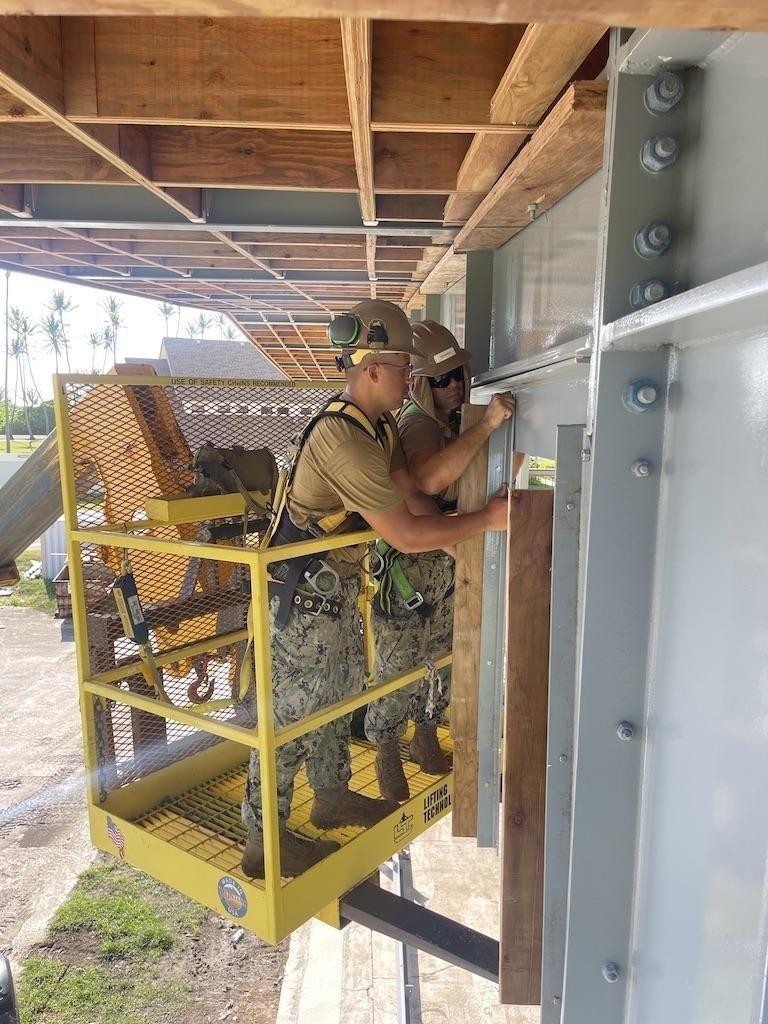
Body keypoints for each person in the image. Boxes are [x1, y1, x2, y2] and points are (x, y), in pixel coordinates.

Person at [241, 302, 510, 878]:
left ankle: (332, 795)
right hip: (299, 595)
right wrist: (485, 522)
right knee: (291, 715)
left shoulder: (379, 426)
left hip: (331, 589)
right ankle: (263, 842)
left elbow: (418, 491)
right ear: (369, 368)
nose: (410, 378)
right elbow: (410, 533)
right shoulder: (344, 439)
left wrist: (483, 441)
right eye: (401, 365)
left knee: (335, 699)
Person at [364, 321, 518, 801]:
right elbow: (427, 484)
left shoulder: (452, 424)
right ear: (421, 386)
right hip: (414, 563)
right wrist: (489, 425)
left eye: (458, 375)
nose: (454, 386)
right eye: (441, 379)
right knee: (400, 661)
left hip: (450, 554)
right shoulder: (419, 425)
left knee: (447, 654)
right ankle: (387, 749)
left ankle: (426, 734)